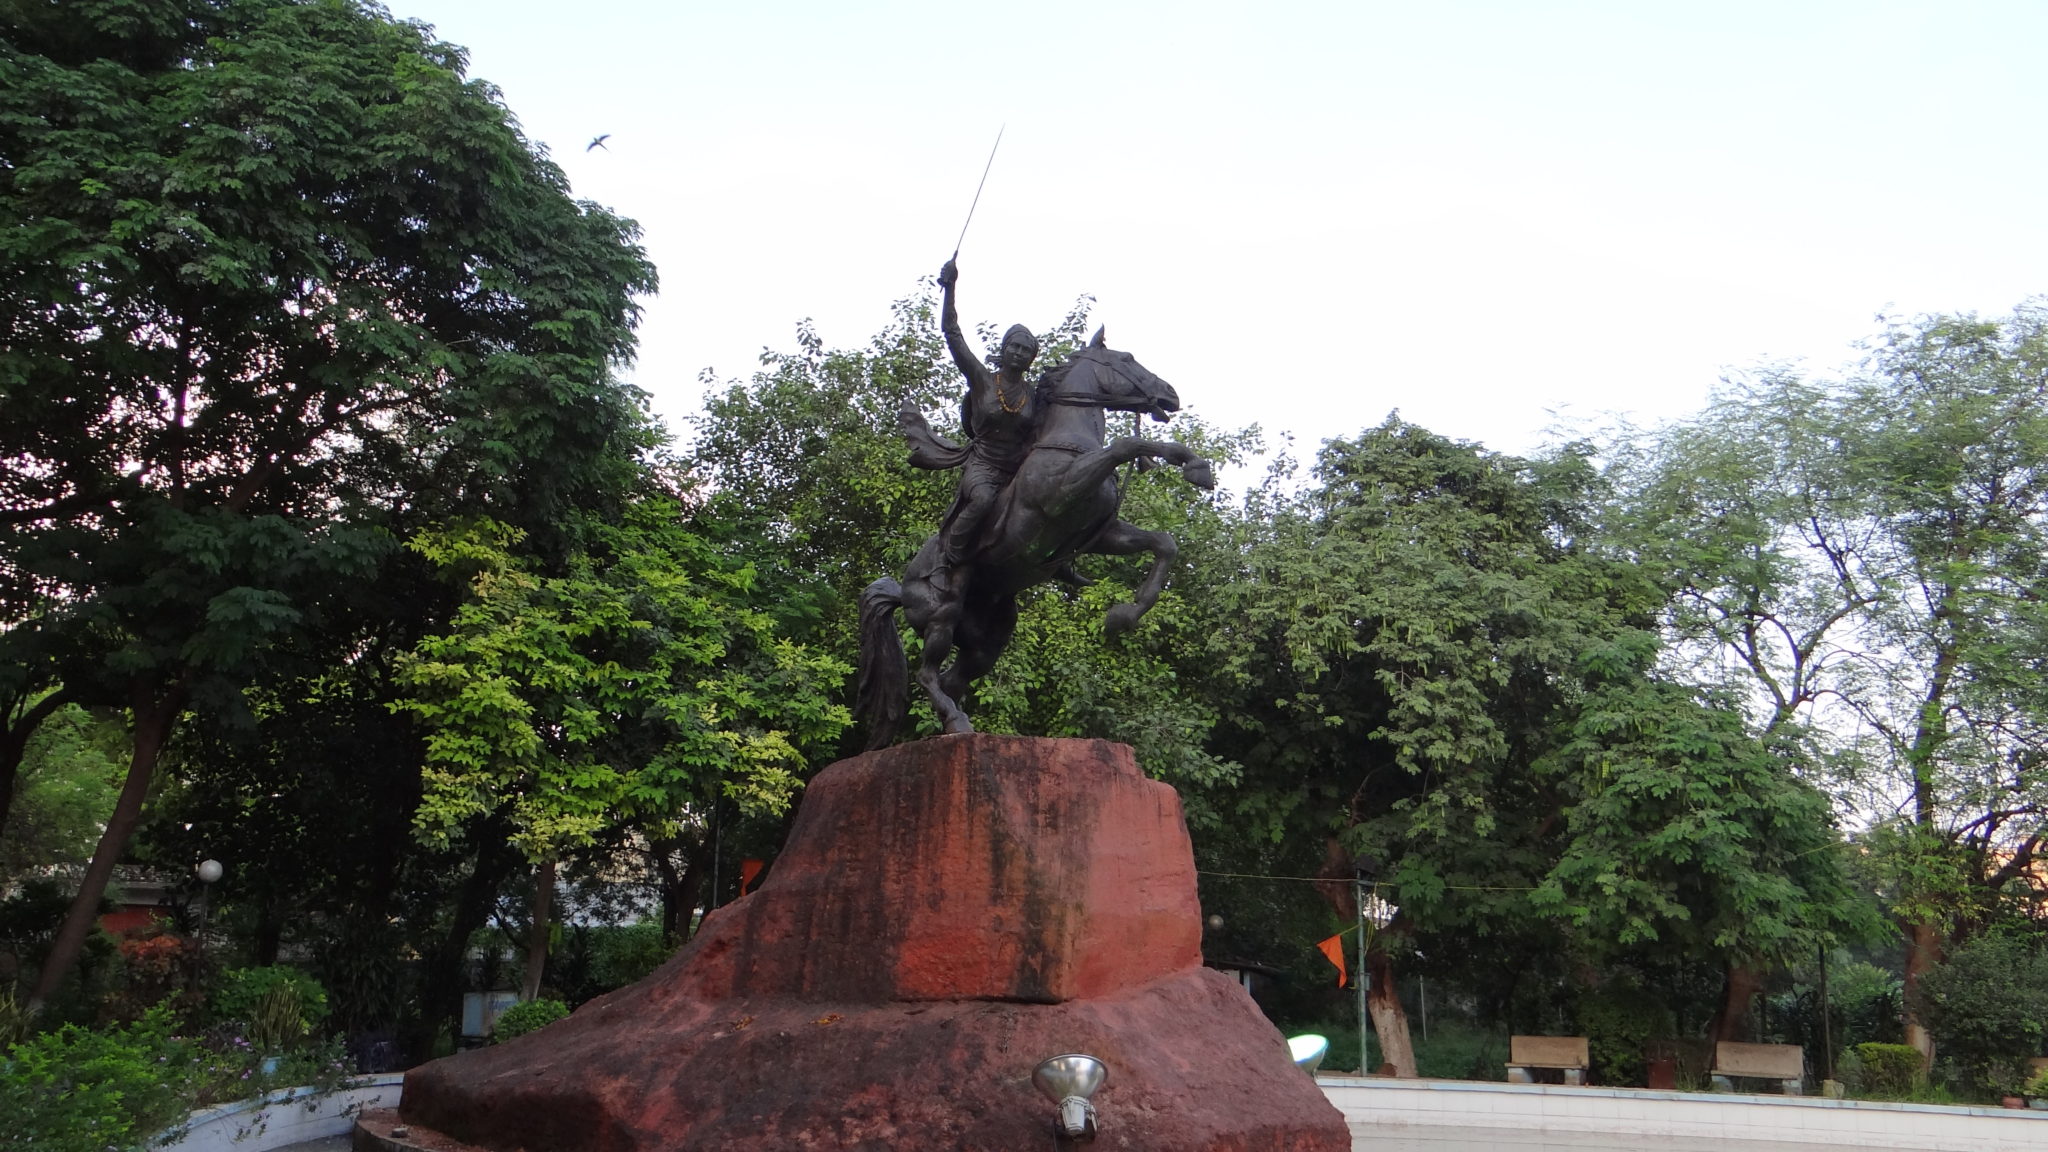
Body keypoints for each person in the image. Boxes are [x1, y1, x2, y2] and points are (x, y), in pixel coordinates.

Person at [929, 257, 1040, 569]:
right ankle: (951, 557)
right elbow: (952, 332)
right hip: (984, 467)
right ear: (1004, 350)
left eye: (1026, 350)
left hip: (1020, 469)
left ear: (1032, 358)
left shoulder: (1034, 395)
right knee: (982, 501)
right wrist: (950, 288)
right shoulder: (982, 379)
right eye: (1014, 347)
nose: (1019, 353)